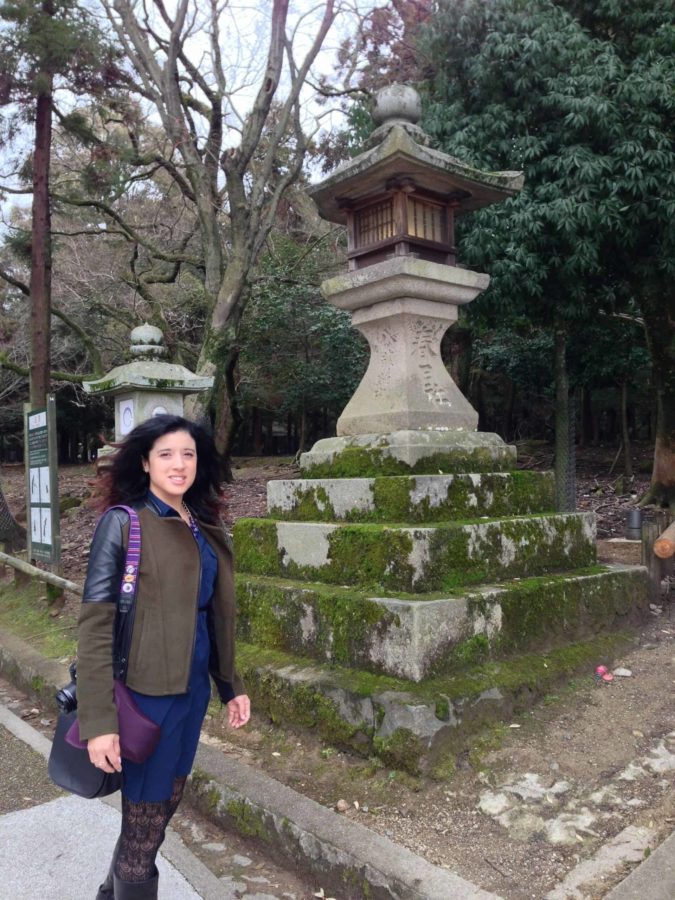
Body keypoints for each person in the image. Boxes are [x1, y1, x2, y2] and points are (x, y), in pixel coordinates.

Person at [76, 414, 250, 899]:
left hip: (191, 694)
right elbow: (95, 626)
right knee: (144, 829)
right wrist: (99, 722)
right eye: (167, 454)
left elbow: (215, 614)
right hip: (146, 697)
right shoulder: (125, 523)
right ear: (146, 462)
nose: (179, 464)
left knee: (157, 816)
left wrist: (230, 685)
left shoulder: (201, 525)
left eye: (189, 454)